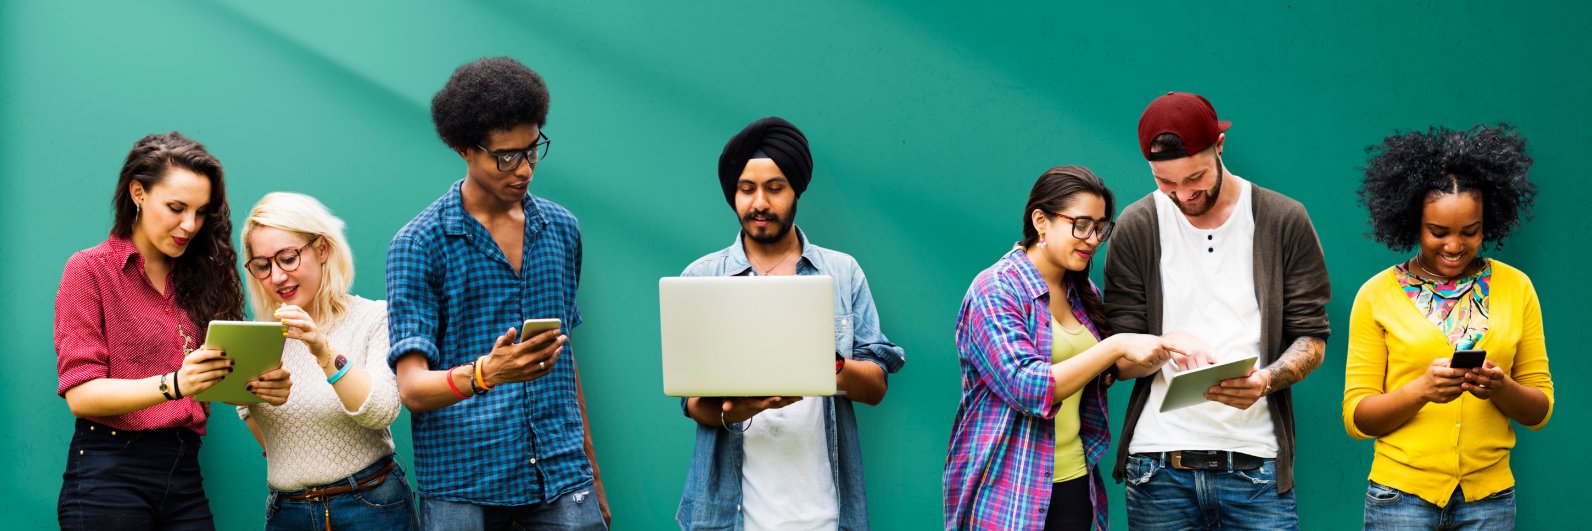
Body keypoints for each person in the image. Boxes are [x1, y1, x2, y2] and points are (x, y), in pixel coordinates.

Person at [387, 57, 608, 530]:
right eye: (506, 155)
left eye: (533, 149)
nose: (524, 168)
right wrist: (487, 373)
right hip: (464, 489)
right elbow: (412, 389)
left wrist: (591, 472)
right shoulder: (419, 245)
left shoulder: (562, 230)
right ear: (465, 148)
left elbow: (564, 361)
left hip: (562, 478)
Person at [1102, 92, 1332, 530]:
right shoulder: (1137, 225)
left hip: (1256, 465)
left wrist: (1265, 381)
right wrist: (1159, 348)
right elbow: (1118, 355)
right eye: (1166, 183)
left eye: (1196, 177)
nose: (1184, 194)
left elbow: (1313, 337)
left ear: (1220, 147)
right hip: (1158, 467)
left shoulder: (1283, 219)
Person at [675, 117, 906, 530]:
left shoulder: (841, 272)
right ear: (733, 193)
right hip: (731, 517)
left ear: (796, 189)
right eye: (747, 189)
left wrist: (829, 363)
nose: (759, 203)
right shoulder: (701, 277)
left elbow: (875, 387)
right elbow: (692, 403)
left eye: (775, 188)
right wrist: (737, 410)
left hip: (826, 513)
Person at [943, 165, 1202, 531]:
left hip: (1075, 484)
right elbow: (1027, 385)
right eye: (1081, 225)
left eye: (1100, 227)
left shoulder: (1083, 293)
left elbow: (1105, 370)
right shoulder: (996, 289)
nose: (1093, 239)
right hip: (1007, 490)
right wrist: (1116, 345)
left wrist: (1160, 350)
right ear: (1041, 221)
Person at [55, 131, 291, 530]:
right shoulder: (89, 270)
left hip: (183, 470)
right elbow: (81, 394)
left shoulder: (199, 277)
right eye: (177, 208)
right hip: (110, 474)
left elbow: (219, 383)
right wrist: (175, 383)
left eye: (200, 213)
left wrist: (263, 387)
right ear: (138, 193)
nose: (190, 225)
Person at [1343, 124, 1553, 529]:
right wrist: (1420, 391)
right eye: (1438, 232)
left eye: (1469, 232)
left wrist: (1501, 388)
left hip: (1489, 501)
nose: (1454, 246)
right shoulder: (1376, 294)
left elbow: (1540, 409)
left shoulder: (1517, 287)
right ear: (1411, 222)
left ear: (1487, 223)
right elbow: (1357, 418)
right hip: (1399, 499)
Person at [238, 192, 415, 529]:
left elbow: (382, 411)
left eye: (288, 258)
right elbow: (253, 417)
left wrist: (322, 349)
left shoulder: (374, 319)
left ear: (322, 249)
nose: (276, 277)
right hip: (288, 512)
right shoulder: (260, 339)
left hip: (370, 505)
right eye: (263, 265)